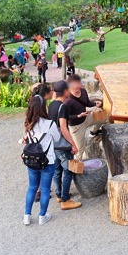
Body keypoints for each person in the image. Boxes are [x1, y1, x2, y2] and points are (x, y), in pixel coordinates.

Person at [21, 96, 57, 226]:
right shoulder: (50, 124)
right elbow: (57, 139)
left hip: (32, 160)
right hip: (48, 160)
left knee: (32, 187)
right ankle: (42, 216)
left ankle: (26, 216)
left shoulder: (28, 123)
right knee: (46, 189)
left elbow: (26, 139)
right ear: (43, 107)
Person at [48, 81, 82, 210]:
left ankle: (59, 194)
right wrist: (73, 144)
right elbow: (63, 127)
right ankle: (65, 200)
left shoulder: (51, 105)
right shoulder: (63, 107)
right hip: (62, 144)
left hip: (53, 144)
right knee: (68, 170)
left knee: (57, 170)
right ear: (65, 91)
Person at [64, 74, 107, 159]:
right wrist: (78, 116)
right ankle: (77, 169)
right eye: (74, 86)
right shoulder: (67, 100)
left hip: (86, 118)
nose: (76, 88)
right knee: (80, 150)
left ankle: (94, 132)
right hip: (76, 127)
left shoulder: (83, 91)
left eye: (77, 85)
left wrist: (95, 104)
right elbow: (66, 117)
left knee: (104, 117)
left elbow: (87, 103)